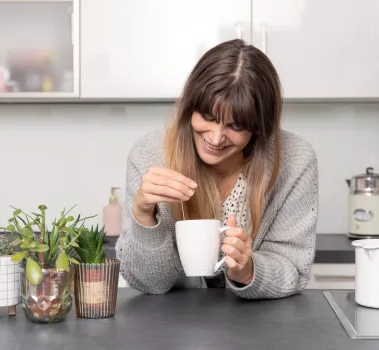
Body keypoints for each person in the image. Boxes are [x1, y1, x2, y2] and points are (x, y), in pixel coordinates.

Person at [115, 39, 319, 300]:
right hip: (172, 328)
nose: (215, 137)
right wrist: (143, 215)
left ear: (260, 128)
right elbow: (150, 283)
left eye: (235, 126)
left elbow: (293, 267)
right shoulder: (149, 155)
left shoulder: (295, 160)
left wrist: (249, 271)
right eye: (208, 118)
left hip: (260, 326)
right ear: (190, 107)